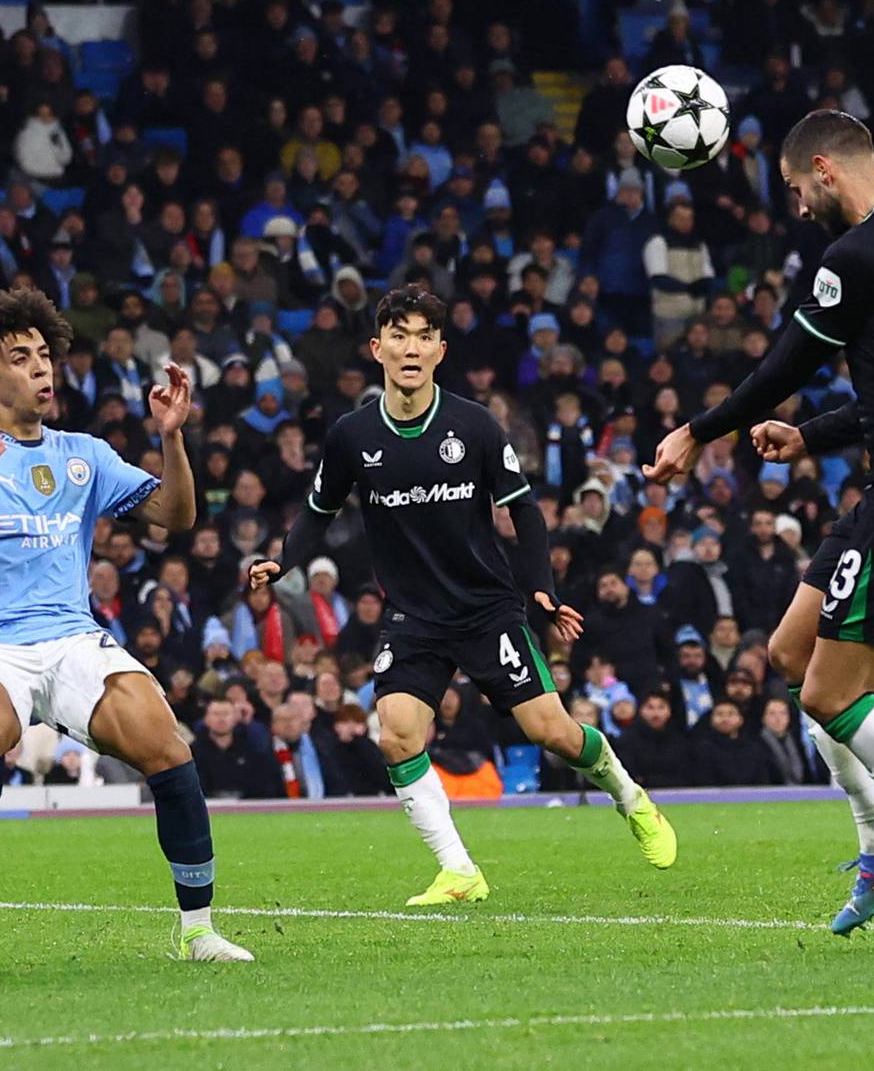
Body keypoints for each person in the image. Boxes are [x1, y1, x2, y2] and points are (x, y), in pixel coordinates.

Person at [644, 109, 874, 949]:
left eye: (793, 189)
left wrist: (697, 431)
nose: (795, 206)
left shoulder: (856, 253)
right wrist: (808, 436)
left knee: (827, 693)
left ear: (823, 167)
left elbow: (787, 362)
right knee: (789, 653)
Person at [251, 286, 675, 906]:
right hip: (413, 615)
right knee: (395, 734)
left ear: (441, 350)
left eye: (424, 335)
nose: (411, 347)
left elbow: (524, 514)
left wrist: (542, 591)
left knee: (552, 732)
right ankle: (460, 870)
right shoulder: (352, 434)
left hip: (484, 607)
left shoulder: (473, 425)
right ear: (377, 349)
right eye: (399, 334)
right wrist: (282, 559)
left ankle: (631, 797)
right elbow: (317, 512)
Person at [0, 288, 250, 965]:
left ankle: (198, 930)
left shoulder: (83, 454)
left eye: (44, 355)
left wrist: (171, 436)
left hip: (68, 636)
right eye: (20, 357)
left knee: (167, 746)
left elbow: (177, 517)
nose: (42, 368)